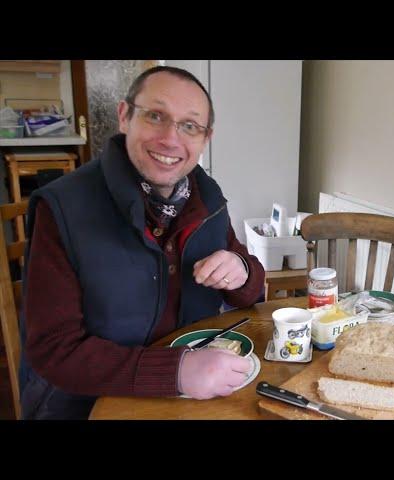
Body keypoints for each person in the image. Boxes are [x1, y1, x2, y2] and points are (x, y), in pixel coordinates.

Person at [18, 66, 265, 419]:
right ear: (124, 116)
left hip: (194, 401)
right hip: (84, 404)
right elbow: (53, 350)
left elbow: (252, 289)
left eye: (190, 125)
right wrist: (176, 371)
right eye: (155, 116)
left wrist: (240, 271)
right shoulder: (62, 209)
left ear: (205, 138)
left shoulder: (207, 199)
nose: (170, 138)